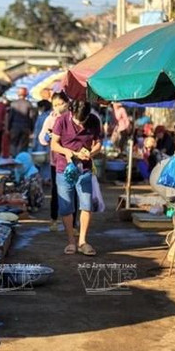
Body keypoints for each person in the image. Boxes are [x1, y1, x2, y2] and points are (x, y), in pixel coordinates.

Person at [51, 100, 102, 256]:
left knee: (86, 205)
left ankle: (83, 241)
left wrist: (91, 153)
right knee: (66, 207)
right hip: (64, 168)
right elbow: (54, 144)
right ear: (71, 112)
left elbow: (98, 143)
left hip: (85, 169)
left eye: (83, 121)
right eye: (77, 121)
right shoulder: (61, 121)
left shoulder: (94, 120)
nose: (80, 124)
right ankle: (71, 242)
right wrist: (69, 153)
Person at [39, 92, 74, 232]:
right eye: (55, 105)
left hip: (73, 160)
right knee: (56, 191)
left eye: (60, 104)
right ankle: (54, 220)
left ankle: (73, 225)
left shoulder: (74, 117)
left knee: (73, 193)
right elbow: (41, 138)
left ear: (67, 103)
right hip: (56, 161)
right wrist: (50, 137)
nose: (58, 107)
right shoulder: (51, 119)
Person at [9, 88, 34, 156]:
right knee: (24, 145)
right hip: (25, 127)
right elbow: (31, 117)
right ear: (26, 94)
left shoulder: (13, 104)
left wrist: (8, 128)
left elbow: (10, 117)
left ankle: (14, 158)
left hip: (15, 127)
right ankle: (22, 160)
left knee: (13, 144)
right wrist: (32, 129)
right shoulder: (28, 104)